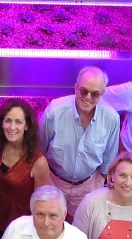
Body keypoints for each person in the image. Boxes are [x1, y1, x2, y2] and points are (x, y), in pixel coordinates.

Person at [40, 66, 121, 217]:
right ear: (75, 88)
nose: (88, 97)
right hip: (54, 182)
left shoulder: (111, 118)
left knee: (81, 231)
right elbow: (39, 150)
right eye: (84, 91)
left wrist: (97, 184)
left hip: (88, 185)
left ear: (102, 94)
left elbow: (109, 157)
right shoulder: (55, 112)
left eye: (95, 94)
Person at [0, 97, 50, 236]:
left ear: (27, 126)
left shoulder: (38, 162)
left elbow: (41, 203)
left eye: (18, 122)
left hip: (19, 230)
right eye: (8, 120)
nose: (12, 127)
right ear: (1, 123)